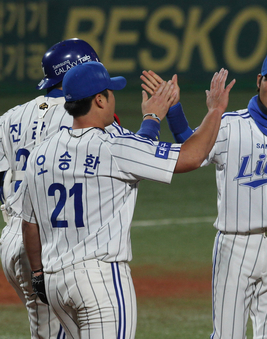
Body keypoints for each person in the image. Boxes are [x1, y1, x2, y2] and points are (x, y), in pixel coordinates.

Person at [20, 61, 234, 339]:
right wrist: (216, 110)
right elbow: (192, 156)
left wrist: (37, 275)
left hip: (56, 283)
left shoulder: (41, 153)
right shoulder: (112, 148)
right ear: (99, 99)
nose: (114, 97)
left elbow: (29, 224)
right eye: (111, 91)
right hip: (100, 283)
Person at [143, 48, 267, 338]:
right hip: (235, 246)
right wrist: (175, 109)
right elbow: (191, 147)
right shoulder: (231, 124)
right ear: (259, 80)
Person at [0, 38, 144, 339]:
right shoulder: (80, 113)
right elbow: (128, 149)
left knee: (45, 330)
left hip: (12, 236)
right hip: (46, 238)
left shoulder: (9, 118)